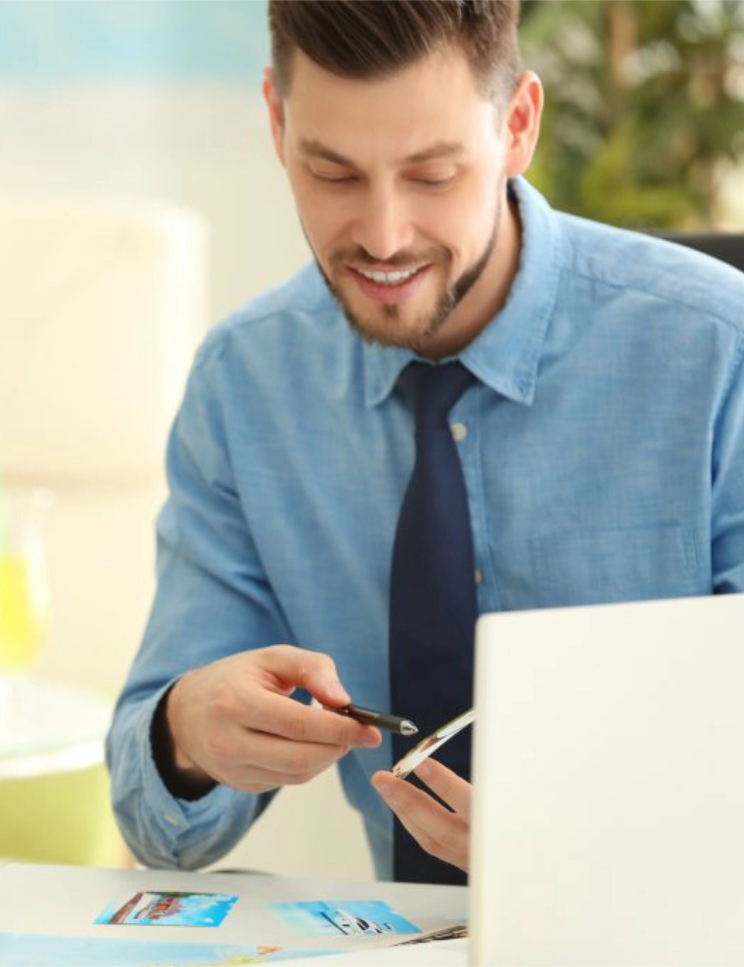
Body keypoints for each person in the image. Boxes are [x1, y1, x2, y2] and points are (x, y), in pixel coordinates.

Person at [107, 0, 744, 886]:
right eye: (332, 174)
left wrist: (596, 849)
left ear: (518, 125)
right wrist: (187, 733)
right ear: (277, 121)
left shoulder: (718, 354)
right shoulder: (246, 385)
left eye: (433, 174)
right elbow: (160, 825)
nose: (383, 234)